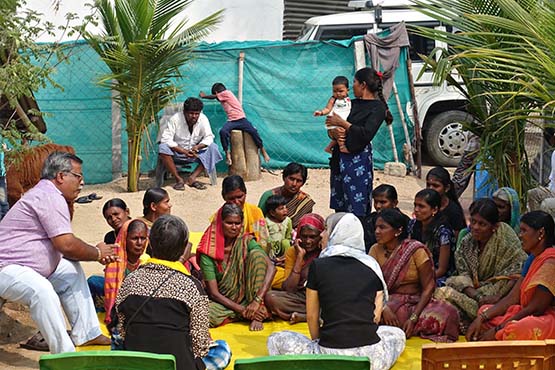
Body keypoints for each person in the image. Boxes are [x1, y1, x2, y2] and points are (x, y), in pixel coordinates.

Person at [0, 152, 117, 353]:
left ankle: (87, 333)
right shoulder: (49, 196)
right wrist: (97, 253)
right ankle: (63, 352)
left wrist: (93, 251)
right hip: (6, 268)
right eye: (78, 176)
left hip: (26, 266)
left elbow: (66, 247)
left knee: (70, 269)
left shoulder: (51, 195)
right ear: (61, 176)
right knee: (41, 291)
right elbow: (67, 245)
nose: (82, 183)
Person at [267, 213, 406, 370]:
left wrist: (318, 347)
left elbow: (312, 316)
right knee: (396, 334)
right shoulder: (372, 265)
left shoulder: (319, 266)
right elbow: (375, 318)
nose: (322, 234)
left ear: (336, 234)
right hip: (370, 361)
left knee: (275, 339)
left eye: (326, 229)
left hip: (329, 358)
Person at [112, 215, 224, 370]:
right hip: (179, 365)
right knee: (222, 349)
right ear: (184, 247)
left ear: (149, 243)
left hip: (138, 363)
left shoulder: (129, 281)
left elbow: (122, 332)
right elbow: (200, 346)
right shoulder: (192, 287)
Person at [370, 208, 460, 342]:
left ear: (398, 231)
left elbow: (428, 287)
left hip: (416, 302)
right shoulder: (374, 250)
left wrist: (414, 317)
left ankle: (406, 325)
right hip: (388, 301)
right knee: (370, 314)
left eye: (382, 227)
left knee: (448, 313)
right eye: (376, 227)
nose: (377, 231)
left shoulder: (416, 250)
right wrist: (384, 308)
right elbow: (371, 285)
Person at [434, 198, 528, 324]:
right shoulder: (467, 242)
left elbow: (518, 270)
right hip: (474, 293)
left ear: (494, 226)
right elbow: (464, 275)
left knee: (444, 296)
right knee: (447, 287)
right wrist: (478, 297)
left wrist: (496, 297)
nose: (475, 227)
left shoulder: (506, 236)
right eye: (473, 222)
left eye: (482, 224)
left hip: (498, 294)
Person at [465, 211, 555, 341]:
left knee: (517, 328)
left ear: (541, 233)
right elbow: (513, 297)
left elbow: (536, 308)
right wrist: (482, 317)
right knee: (484, 311)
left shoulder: (550, 262)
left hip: (545, 317)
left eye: (524, 231)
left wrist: (498, 329)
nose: (520, 235)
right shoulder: (532, 258)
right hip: (526, 312)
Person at [327, 67, 390, 227]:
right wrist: (334, 133)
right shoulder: (349, 104)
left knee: (358, 207)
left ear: (363, 85)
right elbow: (330, 124)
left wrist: (342, 124)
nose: (352, 86)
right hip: (339, 159)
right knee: (340, 206)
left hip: (358, 162)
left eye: (354, 82)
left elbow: (366, 133)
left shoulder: (378, 108)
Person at [197, 203, 275, 331]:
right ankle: (252, 314)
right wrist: (243, 310)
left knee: (257, 255)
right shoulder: (209, 251)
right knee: (202, 314)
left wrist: (256, 301)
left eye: (237, 223)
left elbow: (271, 267)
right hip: (224, 302)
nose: (234, 227)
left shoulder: (245, 241)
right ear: (220, 223)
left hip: (250, 297)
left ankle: (255, 312)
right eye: (229, 223)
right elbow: (214, 293)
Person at [265, 213, 325, 324]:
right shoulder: (293, 252)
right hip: (302, 297)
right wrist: (299, 259)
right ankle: (310, 315)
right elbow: (289, 289)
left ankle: (309, 316)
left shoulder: (326, 251)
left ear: (321, 236)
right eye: (304, 236)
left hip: (323, 298)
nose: (308, 241)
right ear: (298, 236)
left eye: (313, 237)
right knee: (270, 297)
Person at [87, 219, 149, 318]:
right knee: (93, 282)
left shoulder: (147, 261)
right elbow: (100, 250)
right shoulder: (116, 257)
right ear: (125, 238)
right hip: (117, 297)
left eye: (143, 238)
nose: (139, 243)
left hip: (137, 304)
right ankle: (92, 319)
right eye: (134, 238)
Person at [158, 97, 223, 190]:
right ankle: (178, 179)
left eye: (197, 114)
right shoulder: (175, 119)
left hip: (195, 152)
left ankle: (192, 178)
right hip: (177, 152)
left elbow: (209, 137)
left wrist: (198, 147)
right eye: (191, 113)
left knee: (213, 147)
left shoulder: (203, 119)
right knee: (163, 148)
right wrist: (183, 151)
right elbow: (166, 138)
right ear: (184, 112)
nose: (194, 116)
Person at [200, 82, 270, 165]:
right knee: (223, 132)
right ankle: (227, 153)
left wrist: (204, 96)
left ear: (216, 92)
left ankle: (262, 150)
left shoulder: (227, 93)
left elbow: (214, 97)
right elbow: (217, 98)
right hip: (232, 121)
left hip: (241, 119)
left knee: (253, 132)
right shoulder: (224, 96)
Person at [407, 189, 456, 286]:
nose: (416, 209)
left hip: (437, 275)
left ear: (434, 210)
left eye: (421, 206)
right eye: (415, 205)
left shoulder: (443, 232)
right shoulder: (413, 224)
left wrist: (420, 279)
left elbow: (442, 269)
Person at [258, 162, 315, 229]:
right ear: (284, 178)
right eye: (291, 179)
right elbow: (258, 219)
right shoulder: (269, 195)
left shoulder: (304, 201)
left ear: (303, 183)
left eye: (299, 181)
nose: (294, 184)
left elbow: (304, 225)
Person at [219, 175, 268, 246]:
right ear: (224, 197)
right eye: (231, 198)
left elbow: (263, 239)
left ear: (245, 193)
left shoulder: (255, 212)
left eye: (240, 197)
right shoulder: (219, 216)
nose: (236, 202)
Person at [365, 184, 409, 252]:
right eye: (376, 202)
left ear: (394, 203)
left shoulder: (405, 221)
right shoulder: (369, 220)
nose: (378, 206)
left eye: (383, 202)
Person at [314, 75, 351, 154]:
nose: (337, 93)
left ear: (347, 90)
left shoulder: (348, 99)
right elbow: (328, 108)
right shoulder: (333, 99)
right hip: (334, 121)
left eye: (341, 91)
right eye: (334, 91)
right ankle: (342, 147)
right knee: (340, 133)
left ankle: (329, 148)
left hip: (343, 121)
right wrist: (321, 112)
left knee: (338, 136)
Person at [426, 166, 467, 235]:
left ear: (447, 188)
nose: (430, 188)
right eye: (428, 185)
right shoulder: (425, 204)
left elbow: (456, 239)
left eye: (435, 186)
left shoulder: (454, 211)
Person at [264, 194, 293, 289]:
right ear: (272, 213)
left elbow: (288, 236)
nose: (285, 210)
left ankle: (286, 261)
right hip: (271, 249)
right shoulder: (266, 222)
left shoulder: (288, 221)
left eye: (285, 207)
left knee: (286, 242)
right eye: (281, 209)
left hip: (283, 248)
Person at [527, 127, 555, 211]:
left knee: (546, 204)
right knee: (532, 194)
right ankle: (535, 220)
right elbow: (552, 178)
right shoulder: (554, 153)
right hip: (552, 191)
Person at [0, 141, 8, 220]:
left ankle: (4, 221)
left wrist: (5, 150)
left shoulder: (1, 143)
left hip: (1, 176)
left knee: (3, 202)